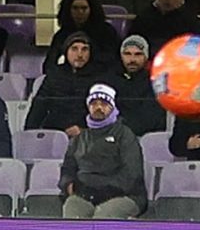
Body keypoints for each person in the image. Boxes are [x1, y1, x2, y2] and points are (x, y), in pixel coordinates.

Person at [60, 83, 145, 217]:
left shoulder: (125, 135)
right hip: (85, 195)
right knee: (72, 207)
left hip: (124, 195)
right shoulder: (79, 138)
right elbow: (68, 168)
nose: (98, 107)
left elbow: (131, 175)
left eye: (104, 104)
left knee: (104, 214)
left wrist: (100, 190)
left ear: (112, 107)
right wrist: (69, 185)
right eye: (94, 103)